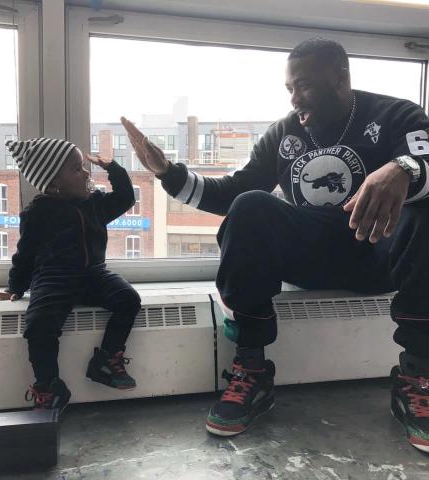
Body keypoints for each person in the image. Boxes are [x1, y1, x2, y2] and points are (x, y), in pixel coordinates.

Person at [121, 38, 429, 451]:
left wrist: (403, 168)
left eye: (304, 86)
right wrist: (168, 174)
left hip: (379, 256)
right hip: (311, 261)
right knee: (251, 205)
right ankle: (252, 368)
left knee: (425, 209)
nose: (295, 98)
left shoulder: (396, 114)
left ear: (340, 77)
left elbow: (425, 157)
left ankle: (417, 374)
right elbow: (231, 194)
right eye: (289, 88)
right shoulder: (284, 132)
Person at [0, 138, 141, 413]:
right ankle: (47, 385)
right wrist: (15, 287)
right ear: (54, 182)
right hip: (53, 277)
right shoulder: (38, 212)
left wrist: (114, 168)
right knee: (39, 324)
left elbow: (126, 198)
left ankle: (105, 361)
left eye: (83, 167)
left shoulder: (95, 204)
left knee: (128, 299)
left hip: (92, 274)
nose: (85, 173)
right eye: (76, 169)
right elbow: (25, 254)